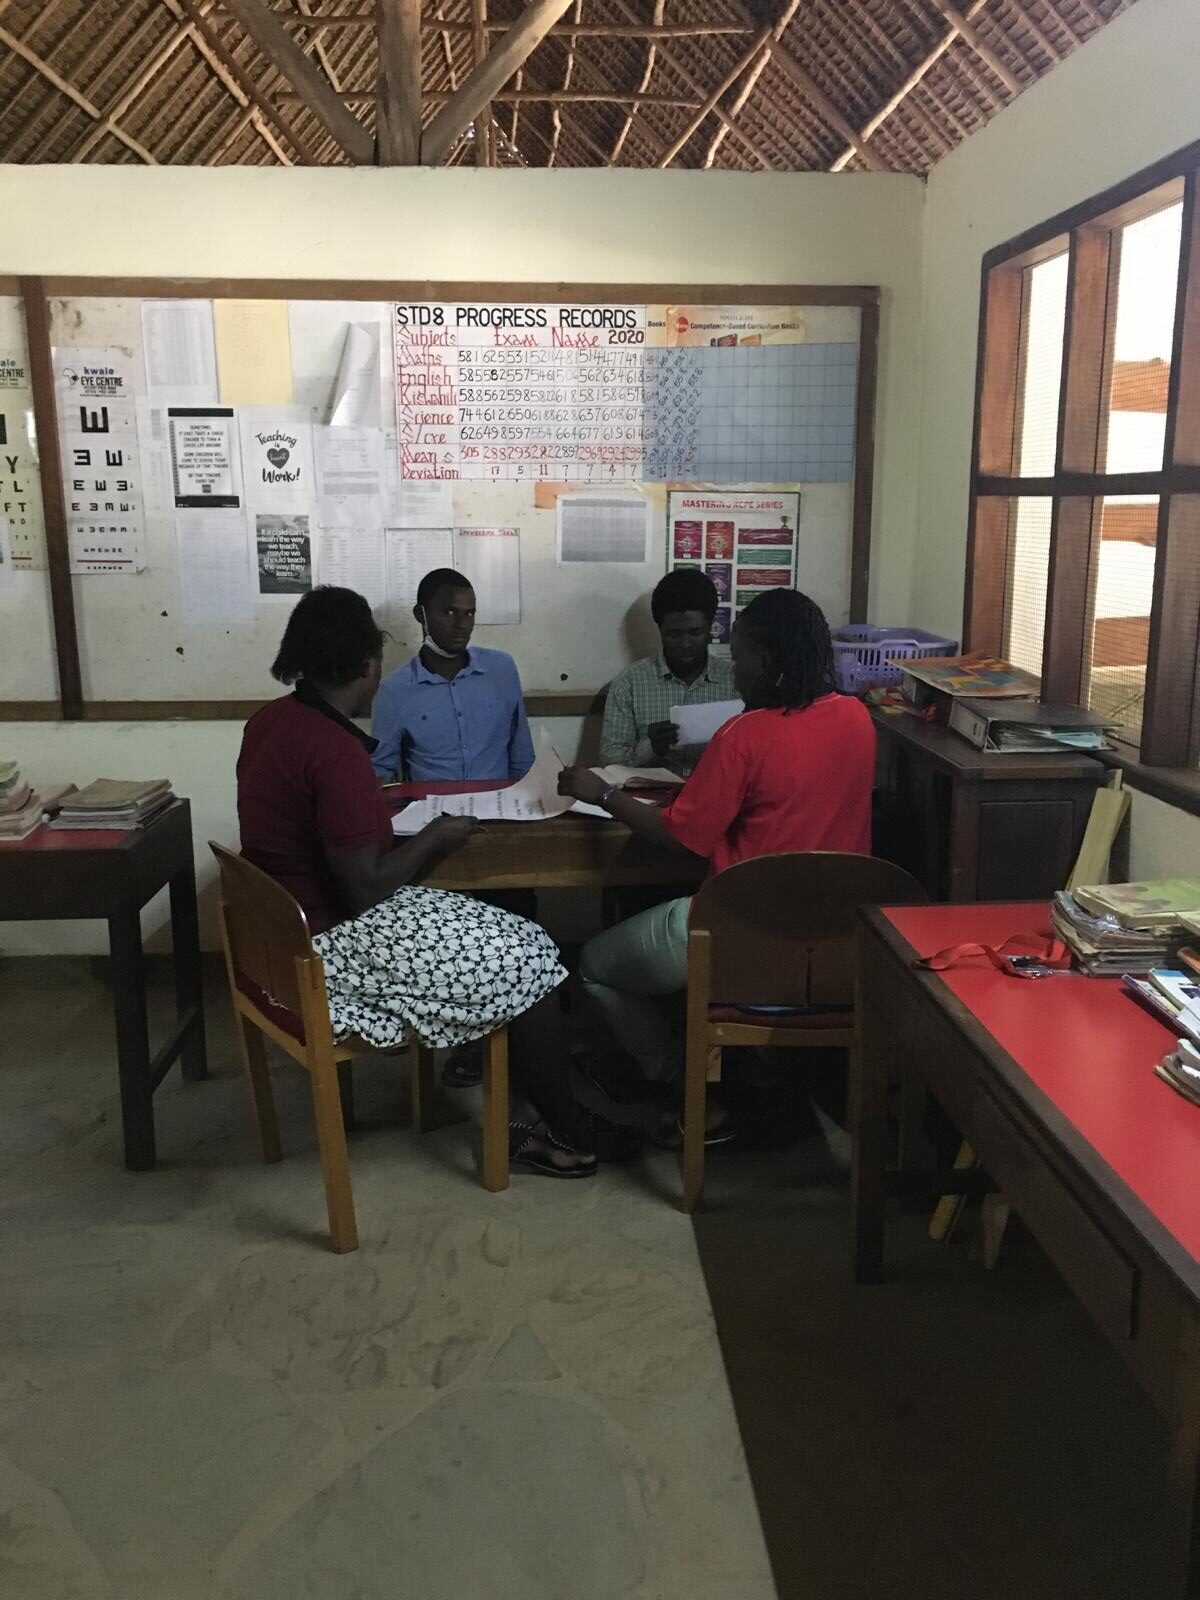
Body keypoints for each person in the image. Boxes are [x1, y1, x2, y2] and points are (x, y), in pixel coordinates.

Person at [237, 585, 609, 1178]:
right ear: (367, 665)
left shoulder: (270, 722)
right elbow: (365, 888)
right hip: (333, 945)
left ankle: (538, 1110)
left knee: (520, 941)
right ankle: (564, 1128)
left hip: (283, 935)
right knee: (534, 956)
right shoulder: (334, 751)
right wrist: (435, 836)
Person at [558, 588, 875, 1130]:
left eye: (741, 654)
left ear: (766, 660)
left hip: (740, 933)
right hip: (833, 939)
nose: (735, 668)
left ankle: (682, 1080)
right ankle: (756, 1070)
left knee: (592, 967)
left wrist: (603, 793)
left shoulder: (744, 734)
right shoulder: (857, 718)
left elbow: (681, 838)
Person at [370, 568, 534, 783]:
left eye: (469, 613)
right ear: (421, 614)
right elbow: (381, 769)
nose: (461, 625)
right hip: (430, 804)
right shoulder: (394, 691)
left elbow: (522, 754)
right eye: (449, 612)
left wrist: (529, 799)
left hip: (499, 802)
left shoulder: (501, 670)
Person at [599, 569, 739, 779]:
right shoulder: (630, 683)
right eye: (674, 635)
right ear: (660, 629)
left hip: (715, 794)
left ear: (711, 627)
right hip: (648, 796)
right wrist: (651, 747)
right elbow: (609, 763)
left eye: (695, 632)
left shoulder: (735, 681)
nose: (686, 644)